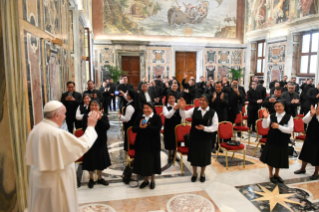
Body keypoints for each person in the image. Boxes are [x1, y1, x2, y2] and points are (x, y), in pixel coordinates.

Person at [26, 101, 99, 212]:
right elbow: (82, 145)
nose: (65, 117)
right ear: (56, 115)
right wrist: (91, 127)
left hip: (38, 182)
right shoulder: (56, 134)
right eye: (64, 114)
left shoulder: (35, 130)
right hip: (56, 183)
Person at [179, 95, 218, 182]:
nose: (201, 102)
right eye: (200, 100)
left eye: (203, 100)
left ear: (208, 102)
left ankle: (202, 173)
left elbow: (215, 127)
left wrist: (204, 128)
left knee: (204, 157)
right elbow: (184, 115)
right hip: (195, 137)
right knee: (195, 157)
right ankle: (194, 173)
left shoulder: (212, 112)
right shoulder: (195, 109)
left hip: (206, 138)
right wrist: (182, 109)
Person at [260, 101, 294, 184]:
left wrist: (279, 126)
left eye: (279, 106)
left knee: (279, 158)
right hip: (272, 140)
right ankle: (271, 175)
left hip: (282, 141)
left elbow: (290, 130)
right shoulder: (271, 115)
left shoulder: (289, 117)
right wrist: (265, 118)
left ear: (284, 106)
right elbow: (264, 126)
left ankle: (277, 174)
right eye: (276, 106)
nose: (277, 108)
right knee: (271, 158)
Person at [82, 99, 111, 188]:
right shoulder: (86, 116)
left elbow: (107, 127)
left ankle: (100, 178)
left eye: (96, 105)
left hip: (101, 141)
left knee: (100, 160)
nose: (94, 107)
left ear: (99, 107)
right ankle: (91, 179)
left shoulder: (103, 115)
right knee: (91, 160)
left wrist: (100, 119)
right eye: (92, 105)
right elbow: (84, 128)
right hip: (90, 141)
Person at [132, 102, 162, 189]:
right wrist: (140, 127)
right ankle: (145, 180)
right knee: (144, 163)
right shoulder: (140, 117)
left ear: (152, 108)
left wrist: (147, 127)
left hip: (153, 145)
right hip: (142, 144)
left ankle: (152, 180)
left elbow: (157, 129)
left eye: (148, 108)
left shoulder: (156, 117)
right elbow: (134, 129)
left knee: (152, 163)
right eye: (144, 108)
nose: (145, 110)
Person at [294, 105, 319, 180]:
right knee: (305, 152)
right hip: (310, 135)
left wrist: (317, 115)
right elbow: (304, 120)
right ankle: (302, 169)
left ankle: (316, 173)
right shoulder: (313, 110)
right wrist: (311, 114)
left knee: (317, 156)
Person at [163, 93, 182, 162]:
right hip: (169, 127)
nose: (171, 100)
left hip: (177, 126)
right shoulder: (165, 107)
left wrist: (181, 108)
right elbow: (168, 116)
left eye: (173, 98)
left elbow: (182, 115)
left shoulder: (178, 105)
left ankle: (175, 154)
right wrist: (174, 109)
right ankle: (169, 155)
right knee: (169, 141)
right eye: (170, 98)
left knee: (176, 141)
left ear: (175, 99)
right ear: (167, 99)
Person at [210, 82, 228, 153]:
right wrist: (213, 99)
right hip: (213, 115)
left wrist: (222, 99)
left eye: (219, 87)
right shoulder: (211, 94)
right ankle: (212, 147)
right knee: (213, 132)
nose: (218, 88)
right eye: (216, 87)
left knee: (220, 132)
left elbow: (227, 105)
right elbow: (209, 106)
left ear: (221, 87)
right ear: (215, 87)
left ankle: (218, 146)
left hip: (222, 115)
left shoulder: (225, 95)